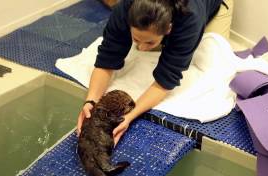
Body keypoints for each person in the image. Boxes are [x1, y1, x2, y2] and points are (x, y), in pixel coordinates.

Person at [77, 0, 234, 145]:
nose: (141, 48)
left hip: (209, 6)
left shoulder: (190, 19)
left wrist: (129, 117)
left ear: (169, 28)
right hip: (161, 23)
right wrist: (91, 101)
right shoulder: (125, 8)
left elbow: (165, 82)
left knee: (214, 62)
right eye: (137, 40)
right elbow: (106, 60)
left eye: (149, 42)